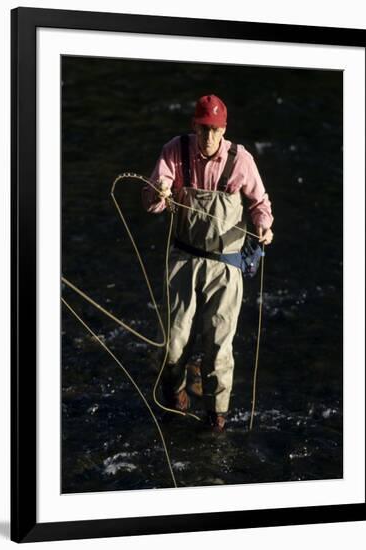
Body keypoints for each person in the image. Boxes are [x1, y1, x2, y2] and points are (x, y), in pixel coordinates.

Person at [142, 94, 274, 433]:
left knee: (218, 349)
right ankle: (175, 396)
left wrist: (263, 226)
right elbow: (150, 203)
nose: (208, 137)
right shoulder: (175, 150)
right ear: (194, 125)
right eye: (203, 129)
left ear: (224, 128)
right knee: (172, 344)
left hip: (226, 266)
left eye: (214, 130)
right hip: (183, 259)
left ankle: (217, 418)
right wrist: (159, 193)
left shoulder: (239, 159)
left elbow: (259, 202)